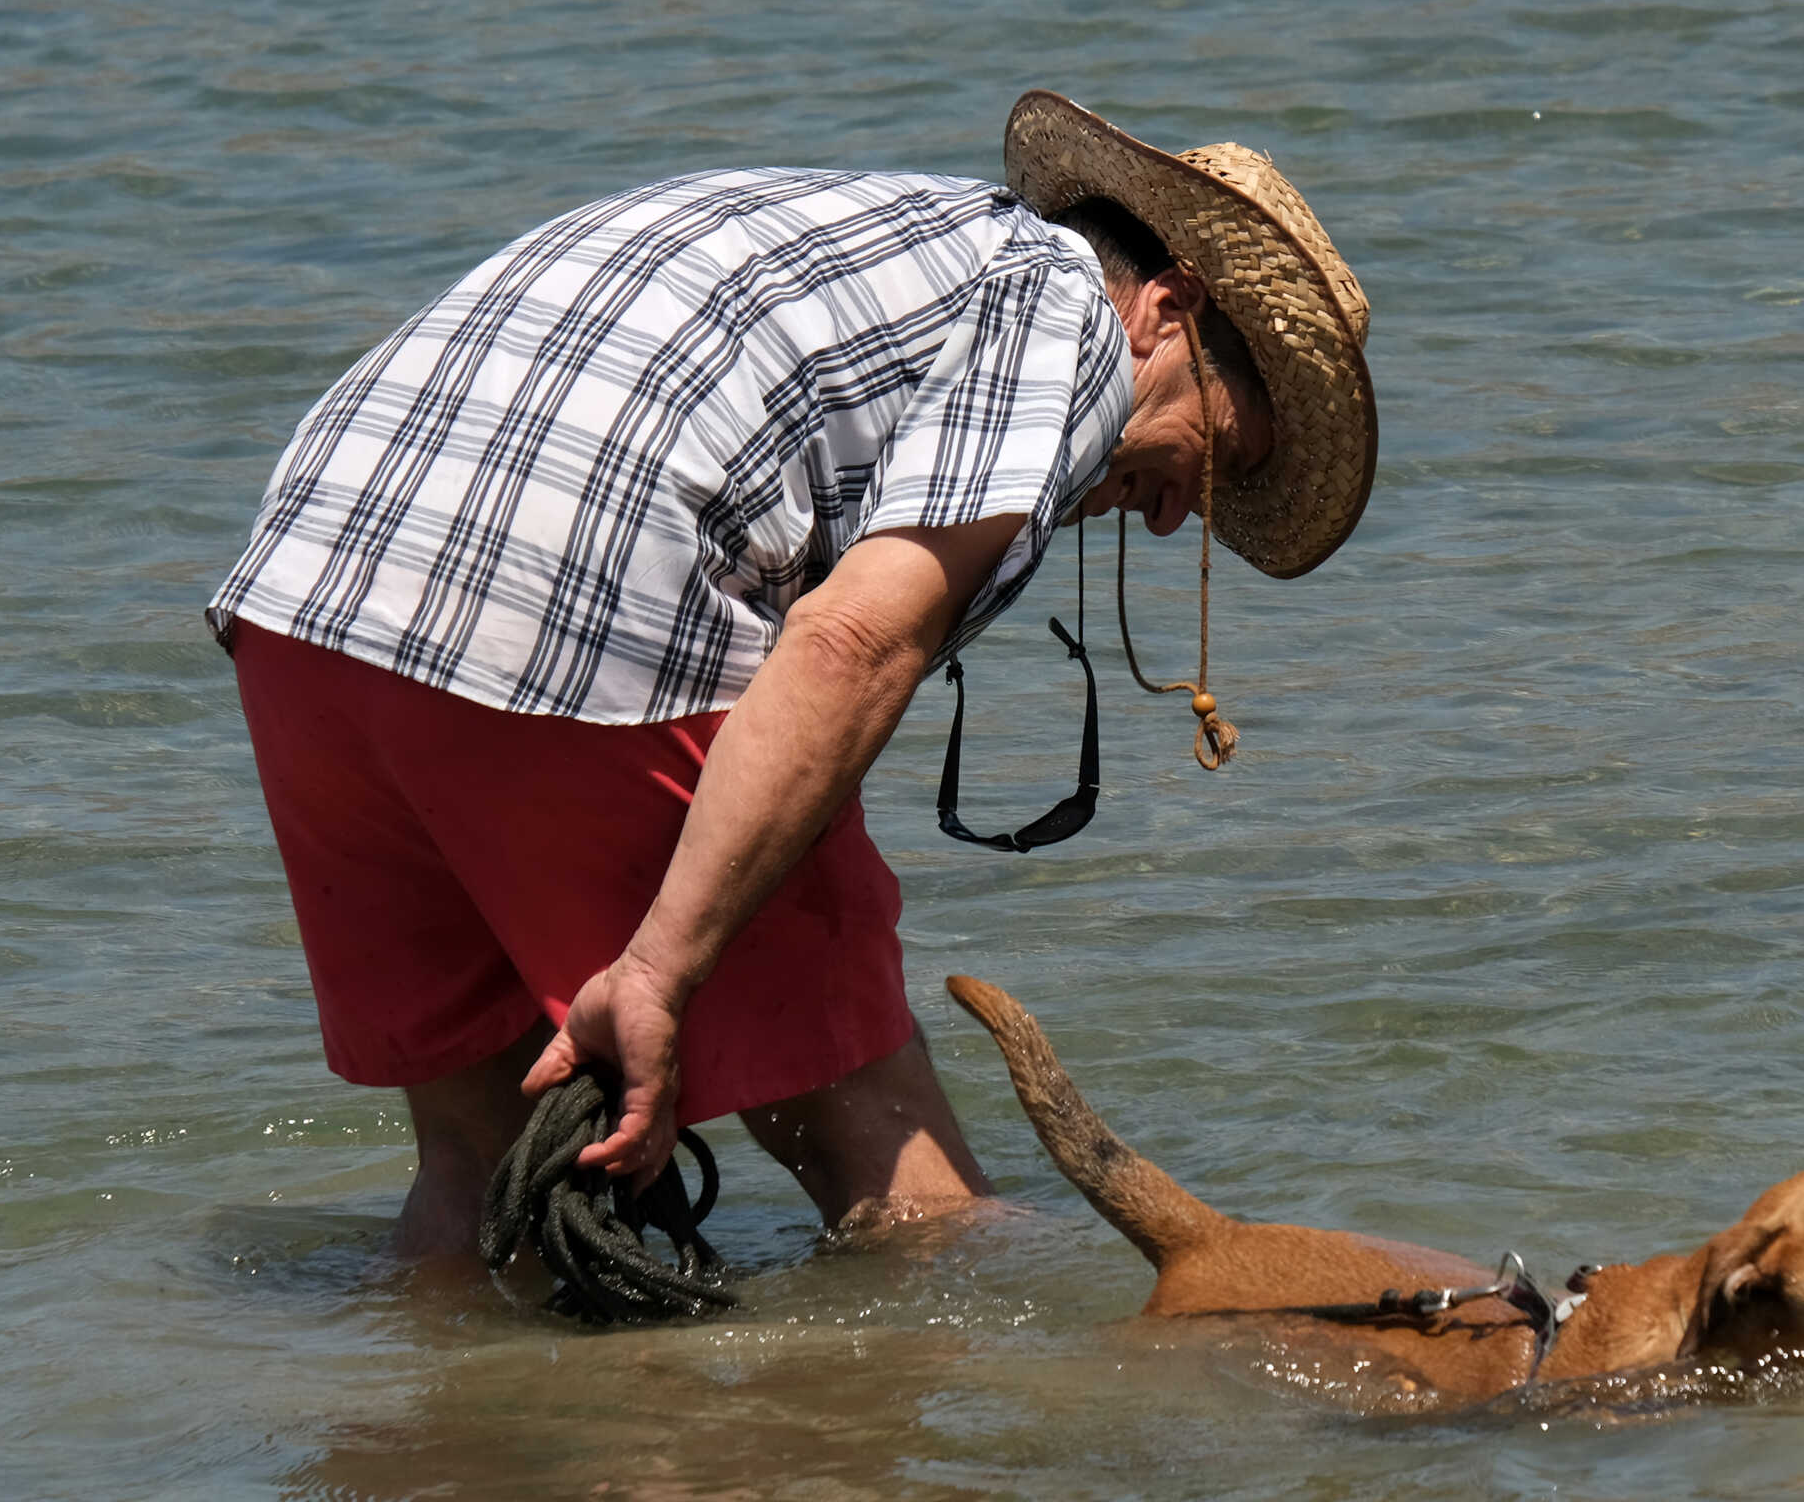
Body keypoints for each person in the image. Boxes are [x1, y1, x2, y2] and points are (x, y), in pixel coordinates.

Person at [207, 90, 1376, 1256]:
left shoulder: (884, 236)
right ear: (1167, 311)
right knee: (904, 1190)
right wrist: (661, 971)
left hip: (310, 592)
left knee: (479, 1184)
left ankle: (437, 1434)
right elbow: (851, 641)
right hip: (567, 594)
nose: (1179, 520)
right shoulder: (1063, 307)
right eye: (1219, 456)